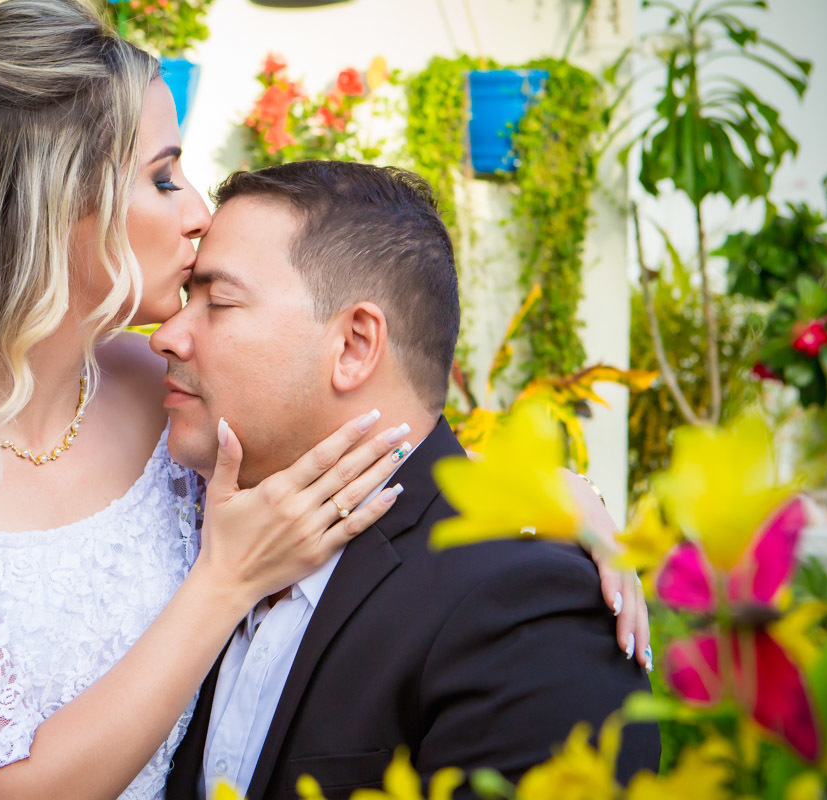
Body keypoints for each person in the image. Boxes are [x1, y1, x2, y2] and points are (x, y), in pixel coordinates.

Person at [0, 2, 645, 797]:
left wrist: (550, 496)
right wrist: (224, 582)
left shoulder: (155, 392)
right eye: (164, 176)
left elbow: (350, 441)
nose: (198, 213)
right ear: (51, 205)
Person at [155, 161, 661, 800]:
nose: (166, 336)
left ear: (354, 345)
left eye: (219, 302)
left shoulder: (527, 609)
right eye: (186, 301)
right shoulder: (184, 525)